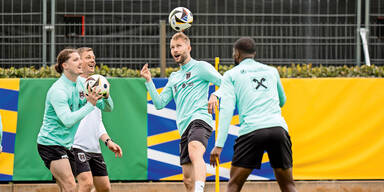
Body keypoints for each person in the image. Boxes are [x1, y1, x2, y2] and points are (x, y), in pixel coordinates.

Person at [209, 37, 298, 192]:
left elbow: (226, 110)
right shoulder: (272, 71)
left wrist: (218, 145)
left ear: (236, 54)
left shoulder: (231, 75)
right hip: (278, 129)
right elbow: (282, 101)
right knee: (288, 185)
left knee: (234, 185)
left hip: (252, 130)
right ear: (254, 53)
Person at [141, 32, 222, 192]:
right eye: (172, 47)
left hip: (200, 119)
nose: (175, 50)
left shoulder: (201, 67)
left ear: (188, 47)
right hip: (184, 128)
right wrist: (149, 80)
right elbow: (159, 103)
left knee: (194, 150)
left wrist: (215, 94)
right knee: (187, 179)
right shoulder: (174, 77)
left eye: (178, 46)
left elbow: (226, 82)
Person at [37, 48, 113, 192]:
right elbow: (67, 120)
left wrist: (107, 96)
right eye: (76, 59)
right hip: (51, 144)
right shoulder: (58, 90)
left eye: (80, 59)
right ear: (65, 65)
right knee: (71, 186)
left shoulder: (81, 84)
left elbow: (106, 107)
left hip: (67, 145)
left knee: (68, 188)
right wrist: (90, 104)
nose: (80, 62)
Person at [73, 47, 122, 192]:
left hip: (94, 148)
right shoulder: (74, 85)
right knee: (86, 184)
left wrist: (108, 141)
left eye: (93, 57)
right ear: (79, 61)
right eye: (88, 57)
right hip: (76, 145)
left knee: (104, 187)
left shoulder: (97, 84)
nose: (92, 60)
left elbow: (102, 115)